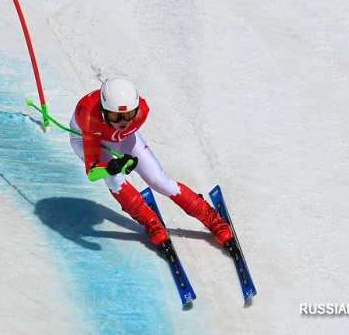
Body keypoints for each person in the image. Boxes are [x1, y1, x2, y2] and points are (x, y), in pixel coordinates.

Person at [69, 76, 233, 251]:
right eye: (115, 116)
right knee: (114, 180)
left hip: (114, 136)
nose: (123, 121)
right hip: (88, 138)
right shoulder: (90, 118)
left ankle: (209, 216)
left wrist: (123, 154)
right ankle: (150, 221)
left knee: (159, 180)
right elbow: (92, 171)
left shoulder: (142, 112)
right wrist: (111, 167)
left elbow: (120, 133)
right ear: (103, 110)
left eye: (128, 115)